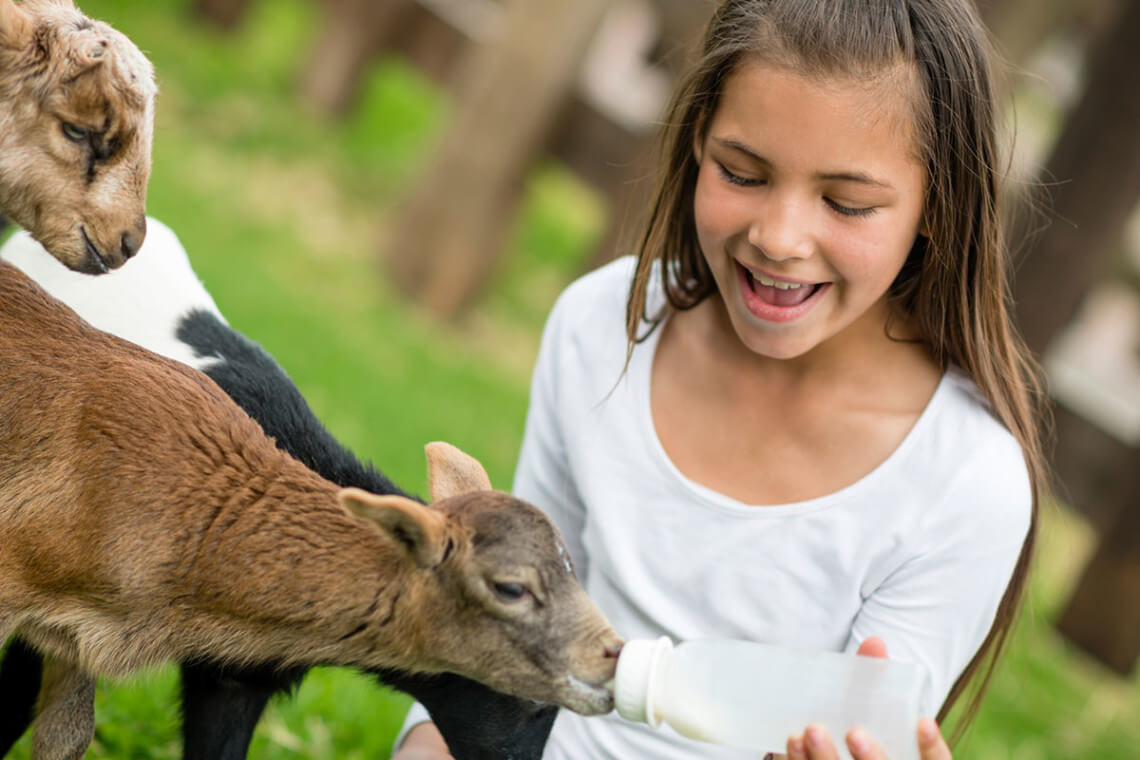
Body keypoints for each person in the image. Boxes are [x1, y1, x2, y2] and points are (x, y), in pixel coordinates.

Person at [393, 0, 1048, 757]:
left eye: (847, 202)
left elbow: (872, 732)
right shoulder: (603, 324)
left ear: (938, 203)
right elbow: (500, 623)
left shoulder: (964, 482)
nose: (778, 238)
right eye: (742, 173)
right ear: (698, 140)